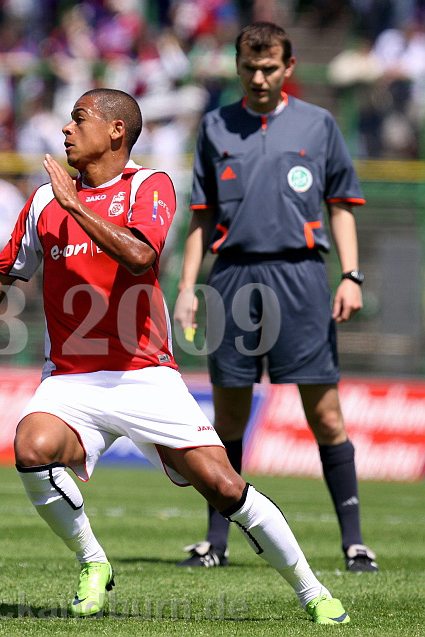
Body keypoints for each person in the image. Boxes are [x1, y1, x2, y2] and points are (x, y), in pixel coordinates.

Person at [0, 88, 350, 624]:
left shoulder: (148, 185)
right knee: (31, 445)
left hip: (144, 374)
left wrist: (74, 206)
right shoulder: (43, 201)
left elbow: (140, 255)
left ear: (115, 132)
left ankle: (312, 590)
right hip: (71, 380)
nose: (65, 129)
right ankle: (93, 562)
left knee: (225, 487)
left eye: (78, 119)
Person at [173, 22, 378, 573]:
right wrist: (188, 287)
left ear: (289, 68)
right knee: (230, 416)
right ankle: (215, 541)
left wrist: (351, 275)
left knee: (325, 414)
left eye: (269, 69)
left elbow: (340, 204)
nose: (259, 78)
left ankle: (354, 542)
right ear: (238, 68)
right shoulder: (216, 126)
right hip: (233, 278)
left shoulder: (320, 123)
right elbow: (201, 217)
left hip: (302, 277)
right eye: (249, 68)